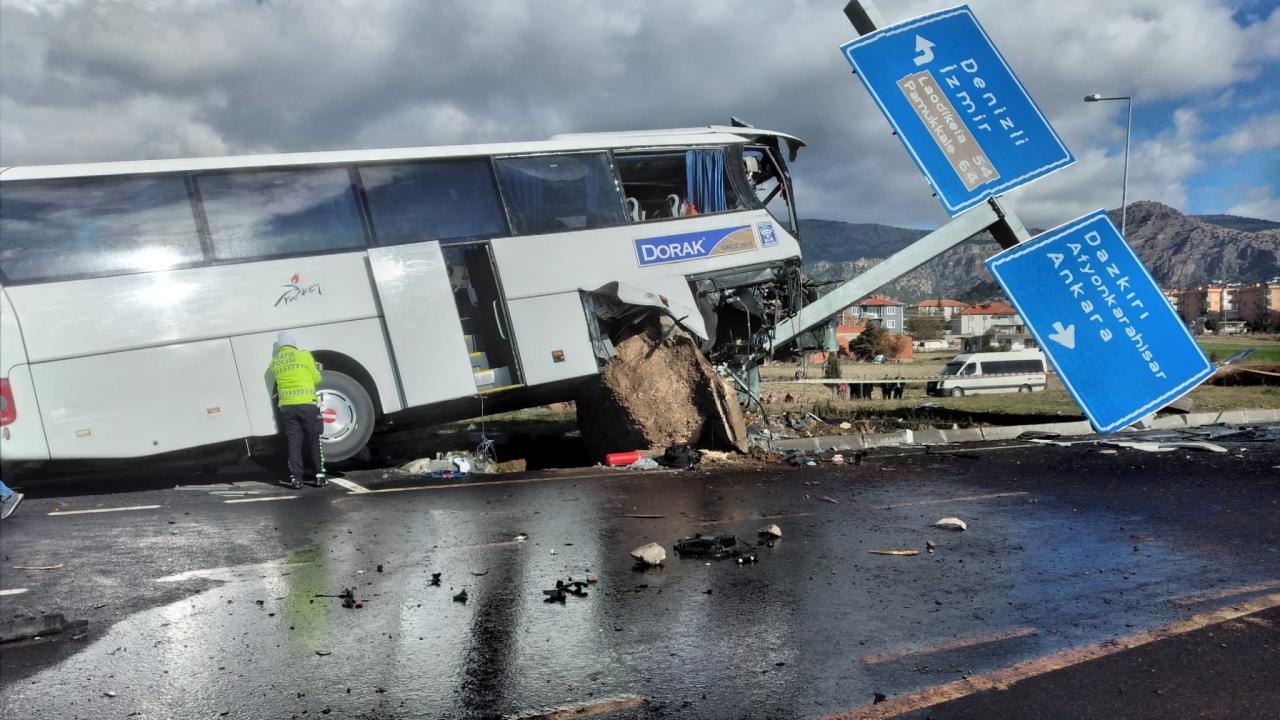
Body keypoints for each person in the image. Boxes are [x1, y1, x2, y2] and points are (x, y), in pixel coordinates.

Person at [271, 332, 327, 489]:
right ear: (293, 344)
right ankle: (319, 476)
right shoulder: (304, 356)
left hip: (287, 408)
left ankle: (297, 479)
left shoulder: (274, 362)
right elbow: (317, 378)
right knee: (314, 440)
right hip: (307, 405)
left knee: (294, 443)